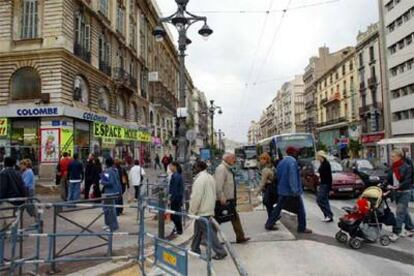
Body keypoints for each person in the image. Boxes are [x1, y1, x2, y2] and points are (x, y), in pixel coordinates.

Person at [265, 147, 312, 234]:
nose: (297, 154)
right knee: (301, 210)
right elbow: (292, 177)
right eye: (296, 153)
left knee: (278, 208)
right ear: (293, 153)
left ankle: (269, 223)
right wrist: (295, 190)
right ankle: (302, 228)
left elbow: (278, 175)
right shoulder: (292, 162)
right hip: (291, 190)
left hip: (282, 189)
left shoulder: (281, 162)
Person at [190, 161, 227, 260]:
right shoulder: (210, 177)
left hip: (202, 210)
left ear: (198, 167)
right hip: (209, 208)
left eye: (195, 167)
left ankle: (220, 251)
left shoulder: (199, 179)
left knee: (209, 233)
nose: (194, 169)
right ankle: (194, 248)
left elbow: (196, 197)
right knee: (198, 230)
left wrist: (192, 211)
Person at [215, 153, 250, 243]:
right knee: (217, 219)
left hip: (230, 199)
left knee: (234, 217)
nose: (234, 160)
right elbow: (218, 186)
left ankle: (240, 237)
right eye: (233, 158)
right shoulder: (221, 169)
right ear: (227, 159)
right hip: (223, 200)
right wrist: (222, 198)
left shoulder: (228, 168)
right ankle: (207, 237)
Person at [387, 149, 414, 241]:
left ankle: (396, 232)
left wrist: (398, 186)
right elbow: (388, 178)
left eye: (393, 156)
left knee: (399, 212)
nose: (391, 158)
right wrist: (383, 184)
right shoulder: (392, 167)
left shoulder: (407, 167)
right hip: (396, 192)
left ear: (399, 157)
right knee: (404, 211)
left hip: (405, 192)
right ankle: (410, 228)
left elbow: (408, 181)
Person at [100, 158, 121, 232]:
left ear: (106, 163)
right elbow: (117, 181)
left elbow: (108, 182)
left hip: (109, 192)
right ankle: (110, 224)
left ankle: (112, 225)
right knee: (110, 209)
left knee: (109, 210)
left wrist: (101, 181)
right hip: (115, 191)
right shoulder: (115, 170)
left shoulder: (107, 171)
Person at [255, 153, 277, 219]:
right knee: (269, 204)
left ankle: (272, 218)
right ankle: (273, 218)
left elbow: (262, 183)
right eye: (260, 159)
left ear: (267, 160)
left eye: (263, 159)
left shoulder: (265, 170)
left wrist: (256, 193)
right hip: (274, 188)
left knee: (268, 203)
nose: (261, 161)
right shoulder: (272, 167)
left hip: (269, 189)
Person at [316, 151, 334, 222]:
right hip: (323, 184)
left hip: (325, 184)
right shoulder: (322, 163)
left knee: (319, 200)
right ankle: (328, 216)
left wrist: (330, 187)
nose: (317, 158)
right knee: (325, 200)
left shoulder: (326, 164)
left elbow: (329, 177)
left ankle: (328, 214)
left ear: (321, 156)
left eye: (318, 156)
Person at [168, 162, 184, 238]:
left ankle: (179, 230)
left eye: (170, 166)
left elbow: (174, 189)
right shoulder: (175, 175)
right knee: (174, 215)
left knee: (175, 216)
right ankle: (178, 229)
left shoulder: (176, 176)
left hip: (176, 199)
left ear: (174, 166)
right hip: (176, 198)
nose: (169, 168)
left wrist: (170, 199)